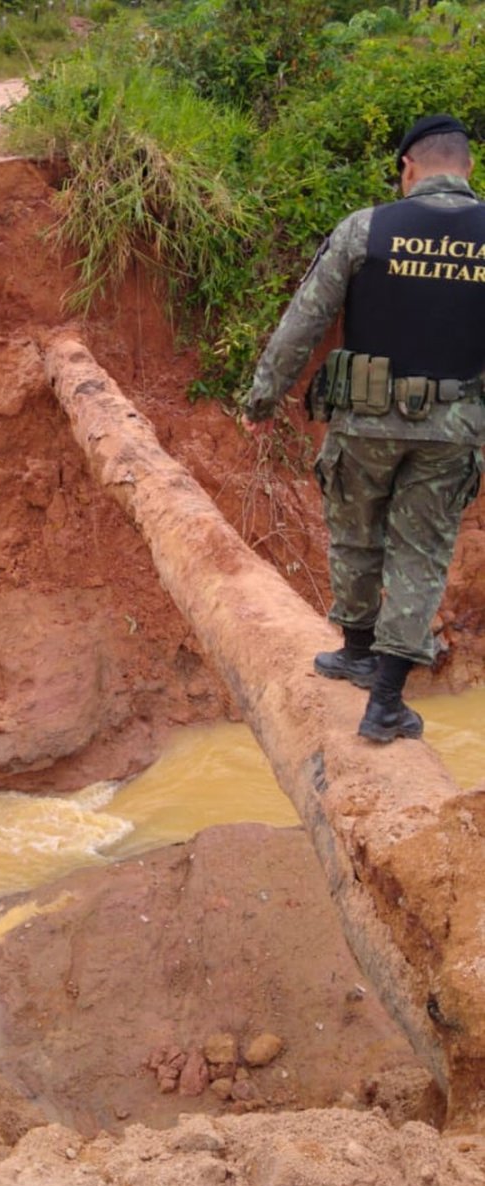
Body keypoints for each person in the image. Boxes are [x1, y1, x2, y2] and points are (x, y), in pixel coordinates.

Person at [241, 114, 485, 744]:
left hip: (363, 423)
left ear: (409, 168)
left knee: (354, 535)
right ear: (468, 169)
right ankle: (385, 701)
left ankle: (355, 650)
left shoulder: (366, 228)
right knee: (421, 557)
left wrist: (262, 397)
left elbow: (305, 320)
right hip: (453, 428)